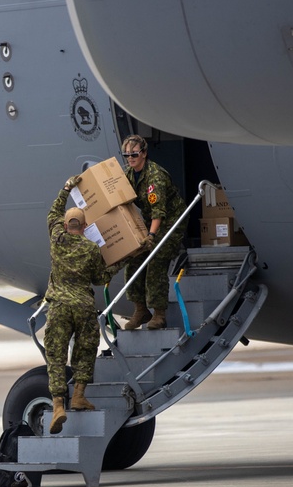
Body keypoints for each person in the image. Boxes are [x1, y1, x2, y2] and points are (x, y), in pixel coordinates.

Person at [44, 176, 119, 434]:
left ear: (65, 226)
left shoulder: (57, 239)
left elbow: (53, 212)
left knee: (56, 354)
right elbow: (101, 278)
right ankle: (78, 396)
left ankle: (57, 406)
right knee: (85, 352)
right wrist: (124, 259)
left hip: (59, 307)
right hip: (84, 306)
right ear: (85, 227)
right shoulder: (90, 249)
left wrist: (66, 188)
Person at [120, 134, 187, 330]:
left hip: (171, 219)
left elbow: (159, 212)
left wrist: (151, 236)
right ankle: (140, 310)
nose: (130, 158)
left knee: (156, 259)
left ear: (144, 153)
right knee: (134, 260)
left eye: (134, 154)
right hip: (151, 221)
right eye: (126, 155)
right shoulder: (130, 174)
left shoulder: (155, 176)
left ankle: (159, 313)